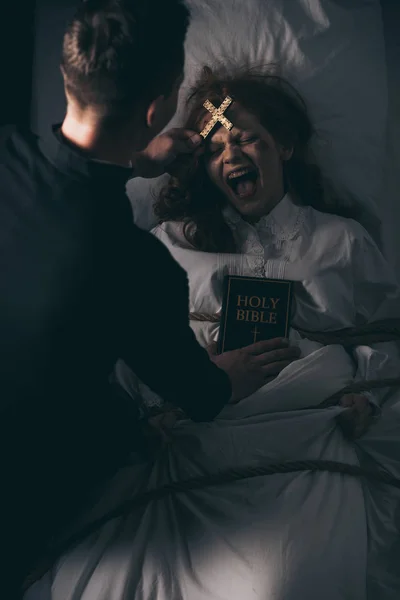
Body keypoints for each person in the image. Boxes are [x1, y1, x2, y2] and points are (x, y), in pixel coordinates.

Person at [0, 3, 299, 598]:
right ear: (158, 108)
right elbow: (203, 395)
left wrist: (136, 161)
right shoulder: (135, 267)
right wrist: (225, 374)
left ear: (68, 77)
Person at [152, 66, 400, 437]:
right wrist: (193, 381)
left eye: (246, 139)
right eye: (215, 149)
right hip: (203, 432)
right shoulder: (170, 244)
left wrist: (366, 398)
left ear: (283, 146)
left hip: (317, 429)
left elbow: (383, 333)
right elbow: (129, 341)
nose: (231, 155)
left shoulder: (343, 240)